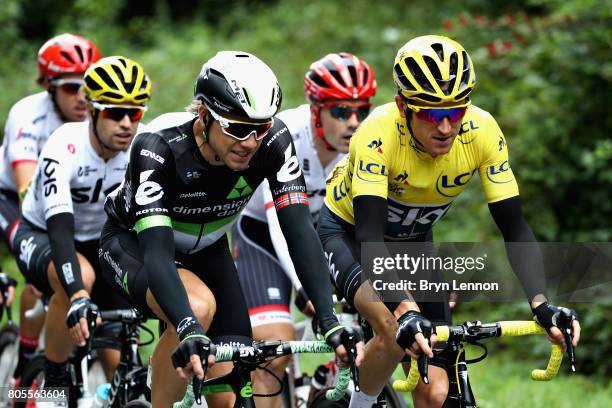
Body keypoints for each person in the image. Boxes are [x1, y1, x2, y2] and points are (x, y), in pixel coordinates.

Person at [317, 35, 581, 407]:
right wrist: (407, 310)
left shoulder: (482, 132)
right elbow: (370, 237)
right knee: (395, 329)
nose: (445, 128)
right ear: (402, 106)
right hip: (350, 236)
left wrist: (542, 305)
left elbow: (515, 229)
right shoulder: (377, 134)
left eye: (455, 113)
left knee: (437, 391)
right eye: (431, 114)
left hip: (414, 242)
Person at [99, 51, 362, 407]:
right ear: (204, 116)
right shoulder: (158, 147)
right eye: (238, 128)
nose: (251, 142)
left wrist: (328, 319)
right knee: (197, 309)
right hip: (135, 244)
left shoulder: (275, 142)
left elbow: (298, 229)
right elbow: (158, 252)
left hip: (208, 248)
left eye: (261, 128)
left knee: (232, 381)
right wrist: (189, 327)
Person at [232, 52, 377, 407]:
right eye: (342, 111)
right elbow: (285, 226)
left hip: (326, 231)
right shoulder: (283, 135)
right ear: (316, 111)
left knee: (367, 330)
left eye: (363, 110)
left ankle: (323, 388)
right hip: (265, 234)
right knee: (274, 351)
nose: (354, 122)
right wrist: (305, 289)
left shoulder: (369, 143)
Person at [12, 55, 150, 404]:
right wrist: (76, 295)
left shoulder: (144, 146)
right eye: (114, 113)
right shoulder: (65, 146)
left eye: (134, 113)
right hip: (44, 234)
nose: (126, 124)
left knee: (119, 362)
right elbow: (60, 229)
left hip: (102, 241)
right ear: (91, 110)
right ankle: (55, 383)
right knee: (80, 280)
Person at [0, 33, 101, 383]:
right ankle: (24, 363)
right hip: (17, 201)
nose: (82, 97)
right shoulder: (27, 115)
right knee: (44, 276)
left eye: (88, 86)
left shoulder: (99, 118)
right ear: (48, 85)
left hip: (70, 207)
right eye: (72, 87)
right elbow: (28, 186)